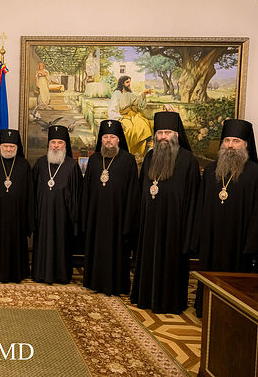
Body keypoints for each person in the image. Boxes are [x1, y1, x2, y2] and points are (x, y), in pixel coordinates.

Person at [192, 119, 258, 317]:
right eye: (227, 140)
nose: (230, 145)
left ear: (245, 144)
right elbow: (201, 206)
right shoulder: (211, 171)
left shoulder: (257, 174)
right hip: (212, 241)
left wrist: (252, 245)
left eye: (236, 141)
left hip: (239, 244)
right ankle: (206, 309)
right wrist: (200, 237)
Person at [130, 111, 200, 314]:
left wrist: (188, 235)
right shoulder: (150, 157)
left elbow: (193, 200)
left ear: (176, 134)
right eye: (159, 133)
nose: (163, 137)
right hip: (149, 225)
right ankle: (145, 297)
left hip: (174, 227)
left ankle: (170, 302)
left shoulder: (188, 161)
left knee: (170, 265)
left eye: (167, 132)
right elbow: (142, 190)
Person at [81, 120, 140, 296]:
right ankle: (94, 282)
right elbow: (86, 191)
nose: (108, 140)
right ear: (101, 139)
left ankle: (116, 285)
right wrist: (85, 217)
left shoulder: (128, 160)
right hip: (96, 217)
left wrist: (128, 221)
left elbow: (133, 193)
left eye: (112, 137)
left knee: (117, 252)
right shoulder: (94, 160)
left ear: (119, 139)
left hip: (118, 218)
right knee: (96, 250)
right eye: (105, 137)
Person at [0, 129, 33, 283]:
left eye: (12, 146)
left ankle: (17, 272)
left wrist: (29, 215)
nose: (8, 149)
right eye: (6, 146)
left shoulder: (24, 165)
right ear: (0, 147)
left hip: (18, 214)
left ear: (17, 147)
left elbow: (30, 193)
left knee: (17, 242)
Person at [31, 125, 82, 284]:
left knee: (61, 244)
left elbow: (76, 195)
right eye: (53, 142)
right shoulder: (40, 163)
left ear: (65, 145)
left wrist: (72, 218)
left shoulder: (72, 165)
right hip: (43, 215)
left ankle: (61, 275)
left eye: (60, 143)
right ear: (48, 144)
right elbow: (32, 191)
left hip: (63, 216)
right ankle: (40, 273)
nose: (56, 146)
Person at [108, 75, 153, 155]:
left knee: (143, 125)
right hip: (121, 116)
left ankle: (139, 153)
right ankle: (128, 152)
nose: (129, 84)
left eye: (129, 82)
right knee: (128, 129)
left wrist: (144, 94)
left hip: (131, 115)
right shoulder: (117, 94)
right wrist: (118, 120)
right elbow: (112, 110)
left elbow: (138, 103)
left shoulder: (129, 94)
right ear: (122, 83)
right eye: (127, 82)